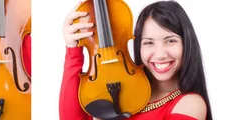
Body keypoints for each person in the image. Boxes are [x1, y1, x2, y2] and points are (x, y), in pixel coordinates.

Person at [60, 1, 212, 120]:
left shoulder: (191, 103)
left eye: (170, 41)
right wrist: (73, 50)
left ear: (187, 42)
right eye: (148, 42)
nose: (159, 54)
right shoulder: (124, 91)